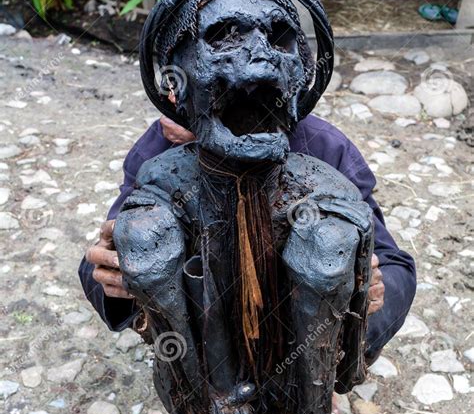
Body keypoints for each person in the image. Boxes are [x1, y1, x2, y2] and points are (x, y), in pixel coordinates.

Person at [79, 109, 416, 364]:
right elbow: (101, 256)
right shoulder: (155, 152)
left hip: (297, 343)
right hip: (205, 347)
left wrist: (356, 318)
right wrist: (118, 278)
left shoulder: (323, 147)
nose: (172, 110)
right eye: (172, 83)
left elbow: (394, 266)